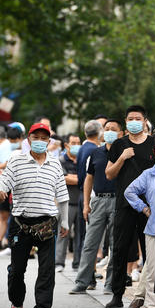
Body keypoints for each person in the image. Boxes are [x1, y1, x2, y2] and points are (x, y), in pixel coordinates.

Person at [0, 123, 69, 308]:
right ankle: (17, 301)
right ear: (29, 140)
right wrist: (0, 191)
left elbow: (62, 196)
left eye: (44, 138)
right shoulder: (17, 160)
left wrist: (65, 222)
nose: (40, 142)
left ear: (49, 141)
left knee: (46, 269)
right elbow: (2, 181)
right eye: (36, 138)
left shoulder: (55, 163)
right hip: (21, 223)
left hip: (47, 223)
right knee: (17, 269)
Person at [105, 105, 155, 308]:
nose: (134, 121)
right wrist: (122, 157)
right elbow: (109, 174)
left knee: (149, 250)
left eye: (138, 118)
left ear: (145, 121)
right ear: (126, 122)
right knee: (119, 248)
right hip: (125, 204)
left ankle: (146, 296)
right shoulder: (119, 144)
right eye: (130, 119)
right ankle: (117, 293)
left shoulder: (154, 143)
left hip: (150, 206)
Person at [70, 119, 123, 295]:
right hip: (98, 201)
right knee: (90, 242)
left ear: (121, 133)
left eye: (113, 129)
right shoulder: (96, 153)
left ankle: (110, 284)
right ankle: (82, 281)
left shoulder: (125, 153)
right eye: (106, 129)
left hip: (118, 201)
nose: (109, 132)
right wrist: (86, 203)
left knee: (115, 245)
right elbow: (88, 179)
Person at [123, 133, 155, 308]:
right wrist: (143, 208)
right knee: (153, 270)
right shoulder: (149, 174)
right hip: (154, 228)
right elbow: (129, 191)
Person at [75, 120, 104, 269]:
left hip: (81, 192)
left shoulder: (83, 148)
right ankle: (87, 268)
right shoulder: (93, 150)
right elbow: (88, 176)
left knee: (83, 232)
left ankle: (80, 263)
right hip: (90, 194)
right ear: (99, 132)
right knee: (90, 235)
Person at [56, 133, 81, 272]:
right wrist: (79, 178)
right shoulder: (60, 160)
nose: (76, 145)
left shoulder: (83, 159)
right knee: (63, 233)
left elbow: (87, 177)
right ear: (66, 145)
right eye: (73, 143)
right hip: (66, 203)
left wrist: (73, 177)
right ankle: (59, 262)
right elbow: (63, 179)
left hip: (82, 202)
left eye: (78, 143)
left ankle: (77, 263)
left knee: (80, 235)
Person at [0, 126, 12, 252]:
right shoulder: (6, 145)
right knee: (4, 215)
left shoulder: (4, 145)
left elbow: (4, 163)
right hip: (6, 183)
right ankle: (1, 241)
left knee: (3, 214)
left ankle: (0, 241)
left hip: (5, 184)